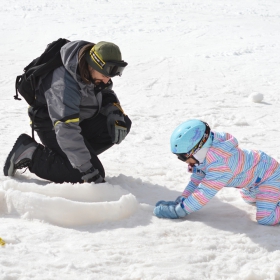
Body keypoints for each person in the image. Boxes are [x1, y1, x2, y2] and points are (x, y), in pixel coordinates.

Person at [3, 40, 131, 184]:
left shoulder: (91, 71)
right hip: (51, 125)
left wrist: (114, 111)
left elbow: (104, 91)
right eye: (105, 74)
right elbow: (66, 130)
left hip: (77, 120)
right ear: (93, 64)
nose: (107, 80)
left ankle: (69, 158)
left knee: (120, 123)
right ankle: (32, 154)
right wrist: (87, 169)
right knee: (86, 175)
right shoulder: (63, 84)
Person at [153, 119, 280, 226]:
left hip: (270, 176)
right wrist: (181, 200)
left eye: (183, 157)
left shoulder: (221, 165)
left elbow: (204, 193)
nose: (183, 161)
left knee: (266, 218)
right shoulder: (205, 155)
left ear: (198, 150)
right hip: (253, 181)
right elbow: (196, 180)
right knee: (249, 199)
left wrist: (180, 211)